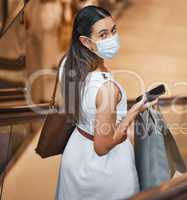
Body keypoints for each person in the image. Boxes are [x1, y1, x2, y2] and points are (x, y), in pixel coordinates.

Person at [55, 5, 157, 199]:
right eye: (103, 35)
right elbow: (102, 146)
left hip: (76, 152)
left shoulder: (67, 63)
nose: (112, 38)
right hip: (105, 170)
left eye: (113, 30)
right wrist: (134, 112)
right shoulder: (106, 89)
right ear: (85, 41)